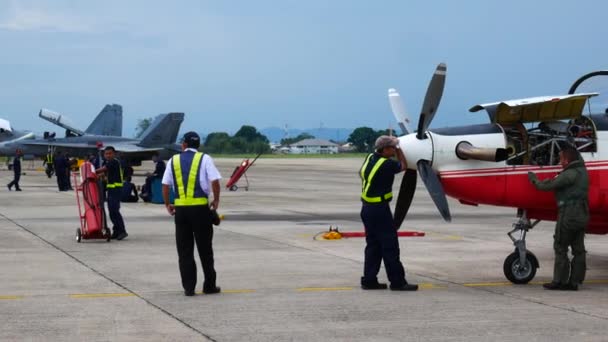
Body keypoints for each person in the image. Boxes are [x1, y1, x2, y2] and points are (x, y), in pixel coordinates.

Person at [162, 131, 221, 297]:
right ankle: (209, 285)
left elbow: (165, 185)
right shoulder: (205, 158)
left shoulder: (173, 160)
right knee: (205, 250)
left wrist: (168, 204)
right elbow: (215, 181)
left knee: (185, 250)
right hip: (201, 211)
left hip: (181, 211)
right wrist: (215, 200)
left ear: (184, 145)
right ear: (198, 145)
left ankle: (189, 287)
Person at [359, 135, 418, 291]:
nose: (394, 150)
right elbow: (404, 166)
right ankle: (398, 282)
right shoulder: (386, 165)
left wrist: (395, 145)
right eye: (392, 148)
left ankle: (369, 280)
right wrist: (400, 149)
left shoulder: (370, 157)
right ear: (385, 149)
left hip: (366, 209)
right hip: (380, 210)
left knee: (372, 246)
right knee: (390, 246)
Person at [528, 147, 589, 291]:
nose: (559, 162)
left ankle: (559, 281)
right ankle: (575, 282)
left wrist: (533, 179)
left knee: (560, 247)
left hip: (568, 214)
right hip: (582, 214)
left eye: (561, 159)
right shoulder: (582, 172)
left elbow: (547, 186)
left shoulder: (569, 174)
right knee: (579, 250)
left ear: (567, 160)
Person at [96, 146, 128, 240]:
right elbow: (105, 173)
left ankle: (122, 231)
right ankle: (116, 231)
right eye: (106, 154)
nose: (108, 155)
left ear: (114, 154)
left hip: (116, 190)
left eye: (110, 153)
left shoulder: (114, 162)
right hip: (111, 190)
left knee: (114, 211)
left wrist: (92, 171)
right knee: (112, 212)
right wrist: (99, 176)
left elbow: (103, 169)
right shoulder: (109, 163)